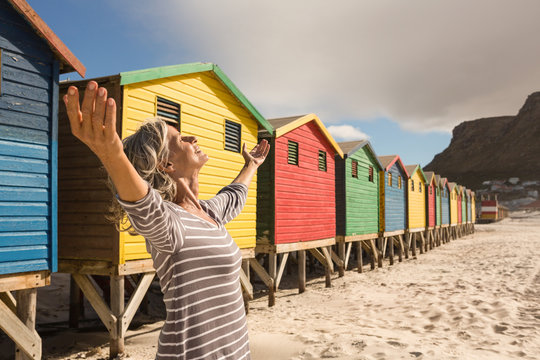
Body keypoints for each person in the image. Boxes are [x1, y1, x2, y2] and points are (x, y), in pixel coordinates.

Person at [63, 81, 269, 360]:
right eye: (182, 139)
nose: (193, 139)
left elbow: (234, 195)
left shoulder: (209, 214)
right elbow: (143, 204)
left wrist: (251, 165)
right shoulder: (170, 224)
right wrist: (111, 152)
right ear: (166, 165)